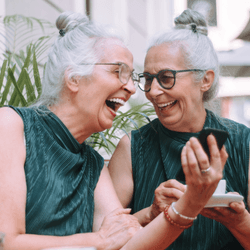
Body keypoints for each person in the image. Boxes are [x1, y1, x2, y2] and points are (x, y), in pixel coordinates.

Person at [0, 10, 226, 250]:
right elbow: (8, 241)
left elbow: (129, 244)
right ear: (74, 77)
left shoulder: (92, 164)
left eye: (131, 76)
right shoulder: (11, 125)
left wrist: (184, 205)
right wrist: (97, 240)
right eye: (119, 71)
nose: (132, 88)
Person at [109, 8, 250, 250]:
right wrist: (151, 213)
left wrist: (239, 221)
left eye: (166, 77)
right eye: (148, 79)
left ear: (205, 80)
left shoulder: (243, 143)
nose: (153, 91)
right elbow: (103, 238)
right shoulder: (132, 147)